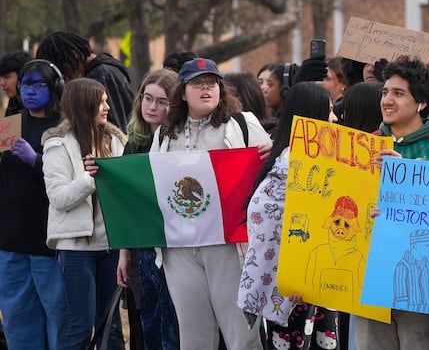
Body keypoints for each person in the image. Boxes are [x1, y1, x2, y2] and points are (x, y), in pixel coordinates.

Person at [151, 58, 271, 350]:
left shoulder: (242, 123)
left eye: (212, 82)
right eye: (197, 82)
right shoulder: (165, 133)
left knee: (241, 335)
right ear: (182, 92)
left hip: (227, 244)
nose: (206, 87)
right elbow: (150, 182)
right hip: (180, 248)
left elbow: (273, 177)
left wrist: (274, 151)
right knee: (193, 338)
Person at [352, 56, 429, 349]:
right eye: (385, 92)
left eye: (398, 94)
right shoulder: (366, 143)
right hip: (370, 280)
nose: (387, 100)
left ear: (421, 103)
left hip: (420, 286)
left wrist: (407, 176)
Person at [239, 82, 340, 350]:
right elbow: (270, 228)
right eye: (328, 111)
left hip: (319, 283)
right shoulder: (288, 168)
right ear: (311, 116)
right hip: (293, 290)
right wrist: (296, 276)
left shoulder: (318, 163)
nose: (335, 118)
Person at [42, 78, 127, 350]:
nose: (107, 106)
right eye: (101, 101)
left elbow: (126, 189)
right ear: (84, 104)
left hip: (112, 246)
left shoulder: (116, 141)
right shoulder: (57, 145)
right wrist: (92, 178)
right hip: (75, 247)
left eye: (106, 100)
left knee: (112, 326)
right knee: (80, 325)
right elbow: (59, 198)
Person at [0, 59, 68, 348]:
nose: (29, 91)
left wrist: (37, 161)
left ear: (55, 88)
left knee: (59, 316)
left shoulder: (65, 128)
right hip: (10, 241)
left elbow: (70, 182)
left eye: (38, 85)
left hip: (49, 243)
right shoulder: (9, 125)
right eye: (26, 84)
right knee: (17, 318)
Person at [118, 68, 180, 350]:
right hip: (139, 249)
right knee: (143, 324)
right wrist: (123, 252)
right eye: (147, 98)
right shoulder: (134, 143)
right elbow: (126, 203)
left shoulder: (180, 143)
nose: (152, 107)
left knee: (171, 326)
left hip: (173, 249)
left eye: (162, 101)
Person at [36, 31, 135, 129]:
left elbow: (114, 125)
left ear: (75, 55)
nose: (65, 78)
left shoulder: (101, 75)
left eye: (63, 70)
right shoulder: (105, 70)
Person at [0, 50, 32, 116]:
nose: (2, 83)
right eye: (1, 78)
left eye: (7, 77)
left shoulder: (37, 109)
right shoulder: (13, 105)